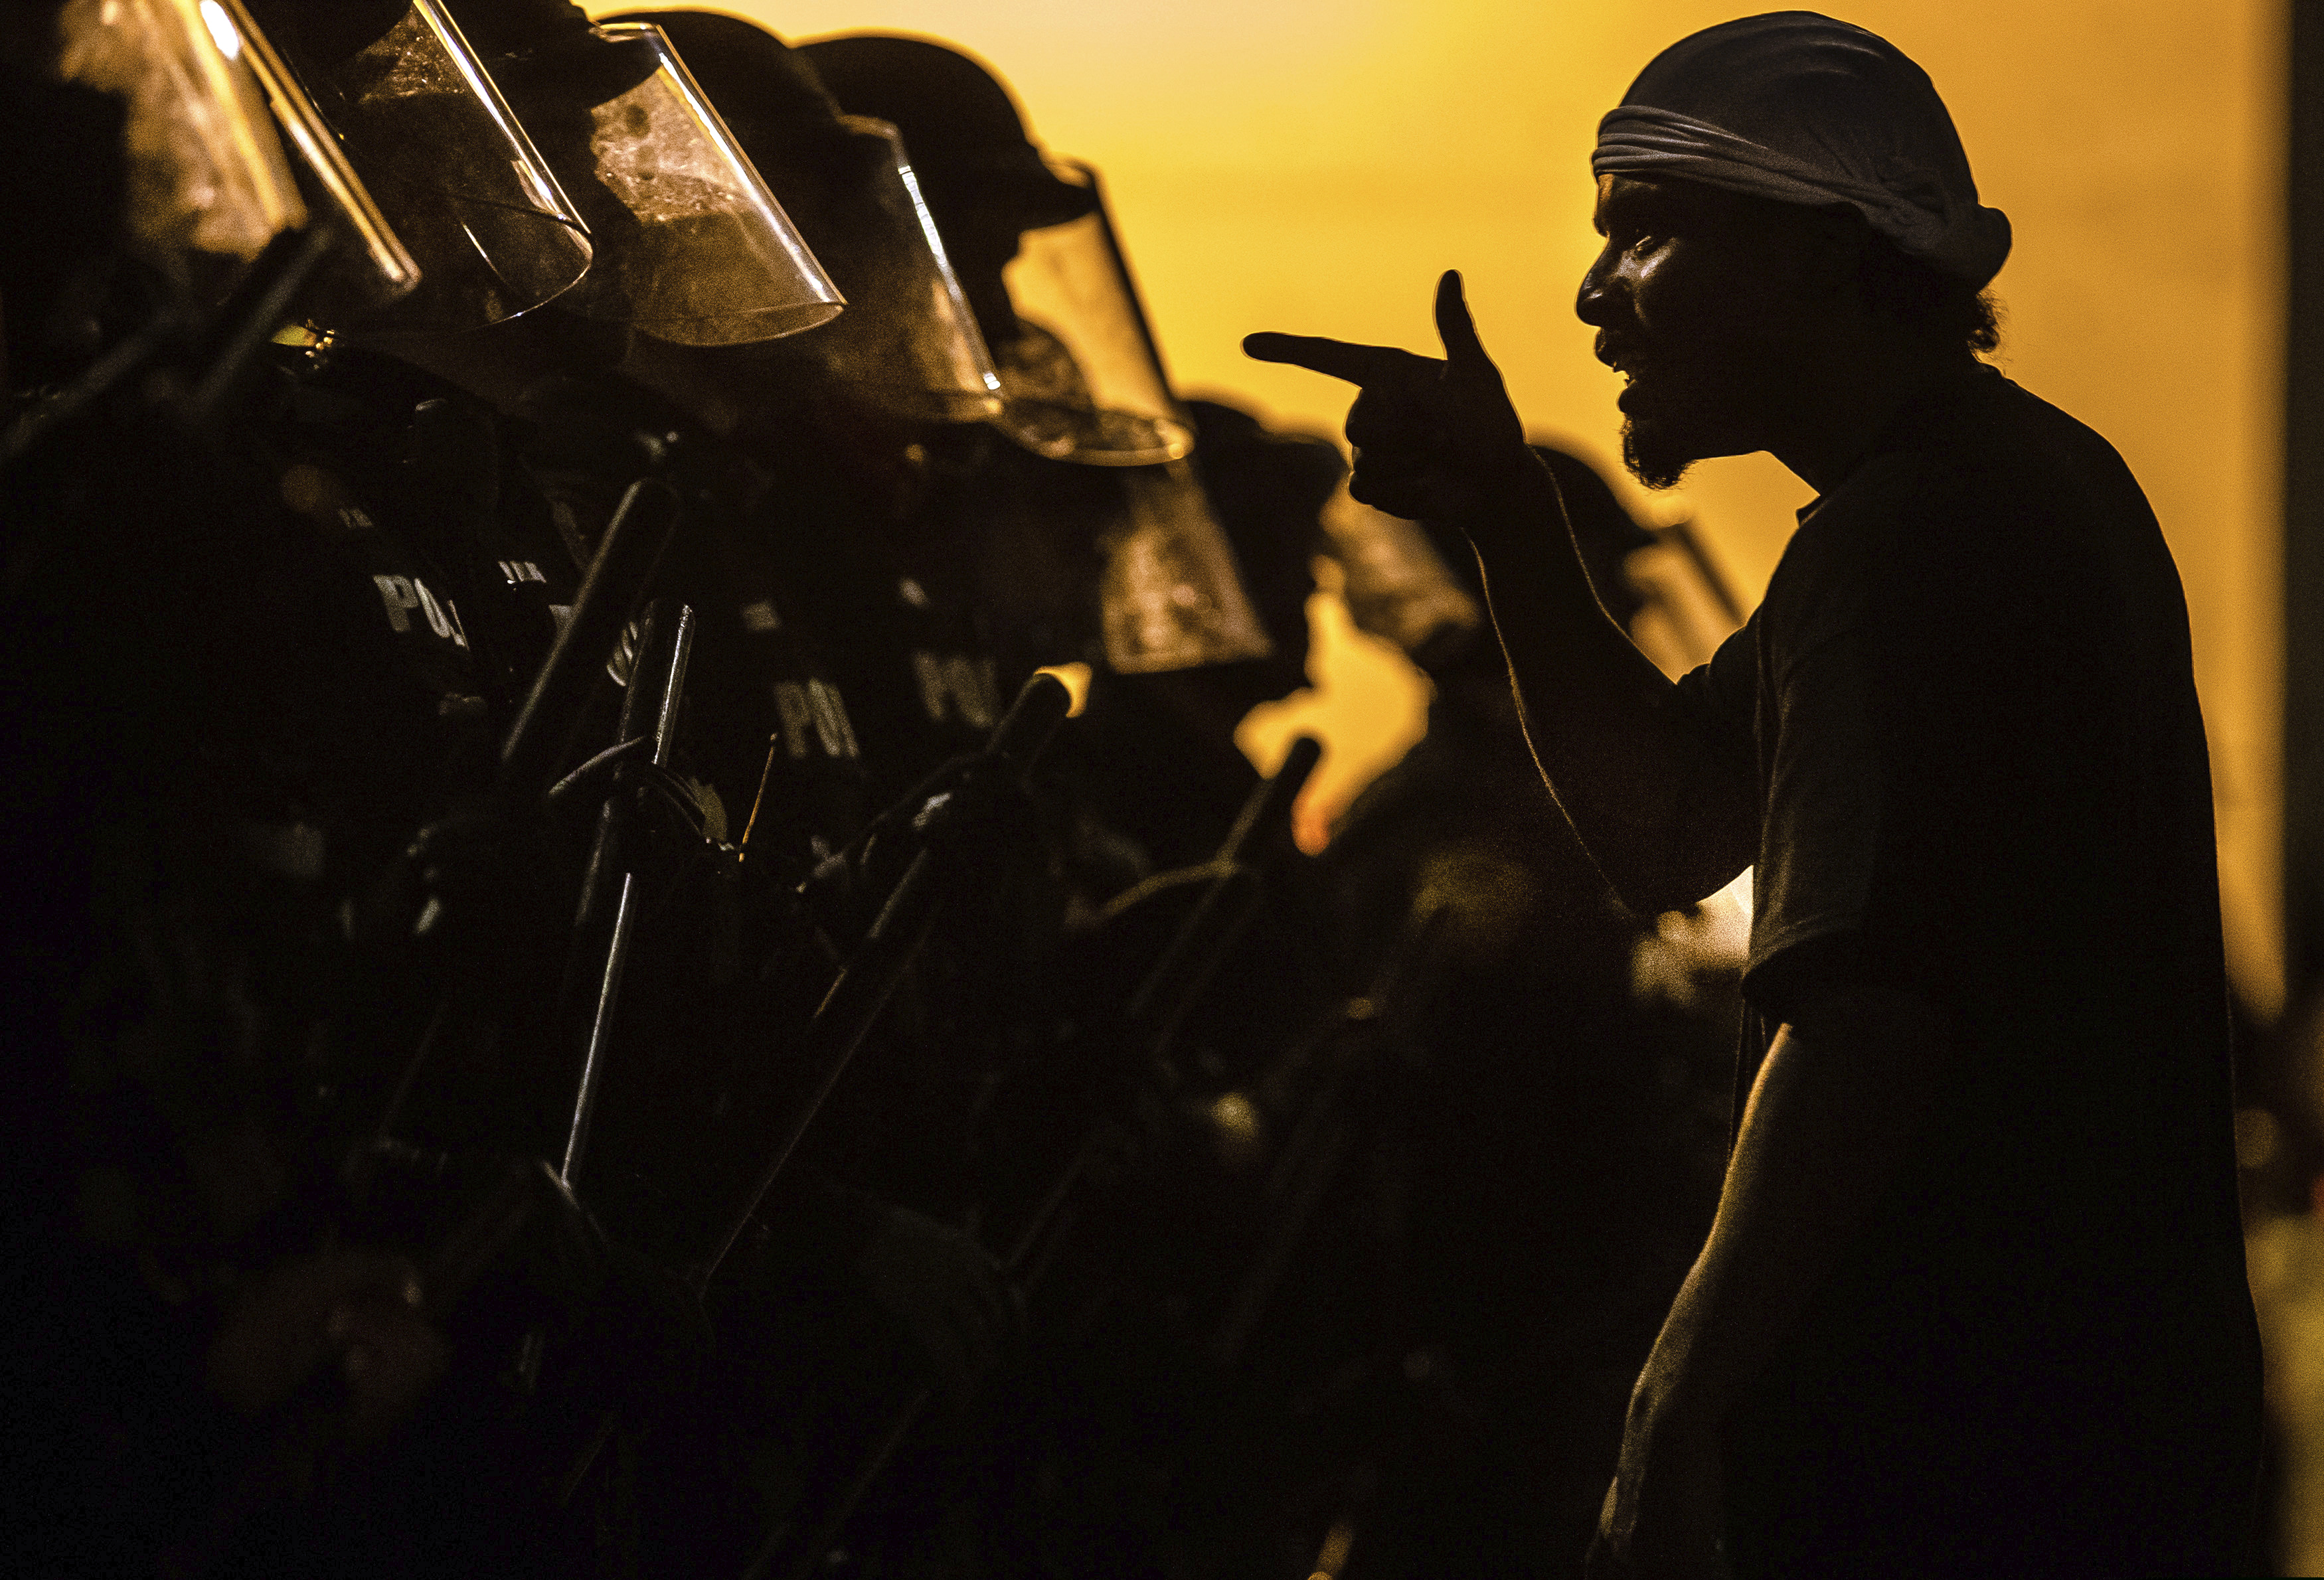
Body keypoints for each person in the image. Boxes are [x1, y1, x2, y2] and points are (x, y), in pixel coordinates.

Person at [1248, 11, 2263, 1577]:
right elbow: (1669, 829)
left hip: (1965, 1454)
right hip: (2072, 1432)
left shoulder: (1915, 538)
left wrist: (1676, 1394)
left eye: (1645, 231)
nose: (1594, 295)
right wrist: (1510, 520)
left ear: (1812, 253)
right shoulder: (1983, 491)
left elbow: (1864, 1021)